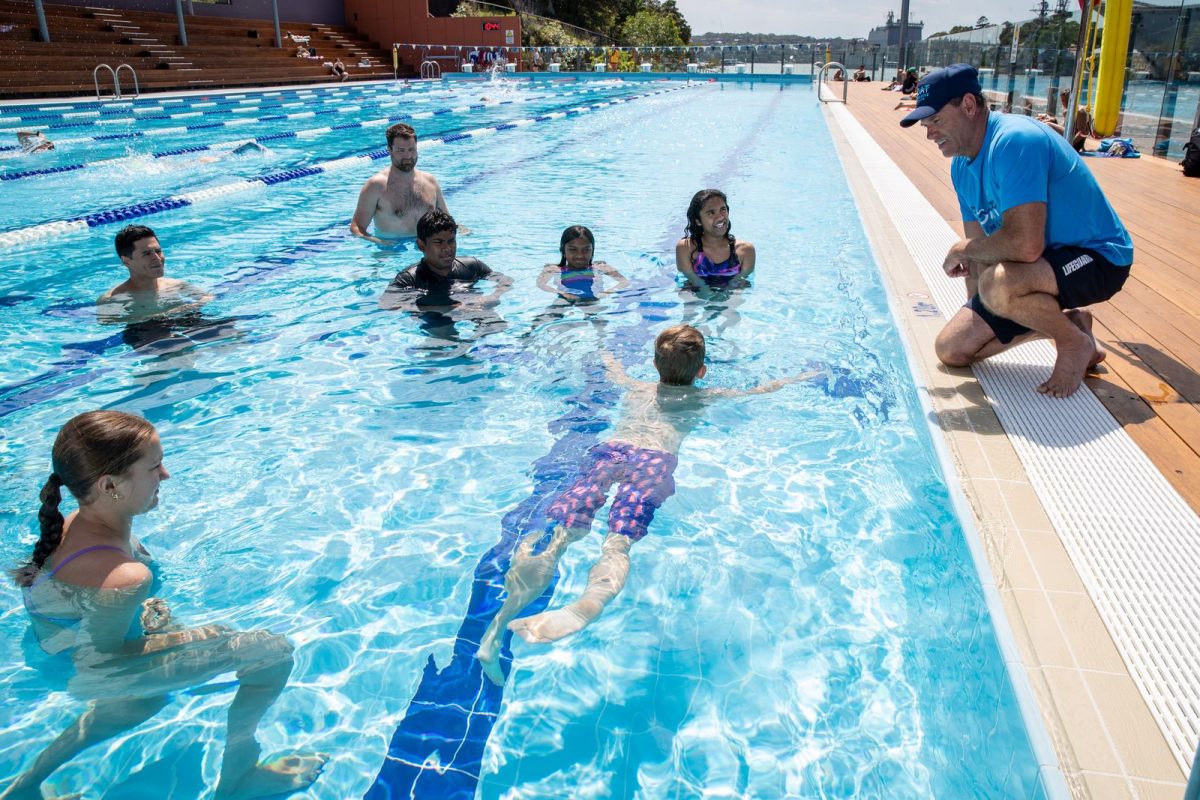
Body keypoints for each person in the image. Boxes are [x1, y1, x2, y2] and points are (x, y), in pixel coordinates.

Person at [2, 411, 325, 800]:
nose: (166, 475)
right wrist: (187, 637)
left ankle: (25, 788)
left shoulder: (71, 521)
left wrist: (150, 622)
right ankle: (238, 779)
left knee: (143, 703)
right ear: (109, 485)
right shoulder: (125, 576)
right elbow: (99, 665)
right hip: (88, 669)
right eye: (154, 467)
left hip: (52, 648)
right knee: (270, 652)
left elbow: (82, 611)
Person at [475, 325, 816, 685]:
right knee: (617, 542)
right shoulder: (705, 396)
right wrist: (804, 375)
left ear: (654, 364)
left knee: (561, 533)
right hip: (653, 460)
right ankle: (587, 607)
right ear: (702, 371)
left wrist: (603, 345)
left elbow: (614, 370)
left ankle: (495, 631)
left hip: (610, 453)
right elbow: (762, 390)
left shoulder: (637, 389)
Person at [901, 64, 1133, 398]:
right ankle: (1071, 323)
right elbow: (981, 249)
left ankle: (1072, 343)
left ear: (968, 105)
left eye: (935, 121)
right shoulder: (961, 166)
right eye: (926, 125)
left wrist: (963, 250)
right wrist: (979, 313)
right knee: (952, 349)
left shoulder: (1015, 141)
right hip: (1040, 267)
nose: (930, 134)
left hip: (1097, 257)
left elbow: (1024, 246)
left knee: (999, 283)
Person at [377, 210, 510, 312]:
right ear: (421, 245)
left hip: (472, 307)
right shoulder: (409, 279)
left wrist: (493, 296)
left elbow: (505, 280)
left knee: (495, 325)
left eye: (451, 241)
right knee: (444, 339)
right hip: (436, 317)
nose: (447, 248)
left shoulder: (471, 266)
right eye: (438, 242)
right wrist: (445, 309)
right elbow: (386, 305)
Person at [351, 122, 450, 242]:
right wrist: (381, 243)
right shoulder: (376, 186)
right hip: (391, 252)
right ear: (389, 150)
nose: (407, 155)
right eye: (401, 150)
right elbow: (357, 227)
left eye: (411, 149)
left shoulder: (431, 182)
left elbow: (447, 220)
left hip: (426, 248)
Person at [97, 225, 213, 325]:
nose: (157, 258)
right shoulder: (112, 298)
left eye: (158, 251)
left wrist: (187, 308)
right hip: (147, 334)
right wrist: (162, 316)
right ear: (127, 261)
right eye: (147, 253)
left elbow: (208, 297)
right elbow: (106, 322)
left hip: (186, 321)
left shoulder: (177, 286)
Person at [674, 189, 755, 294]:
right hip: (696, 291)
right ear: (698, 221)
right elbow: (693, 280)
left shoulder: (745, 250)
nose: (721, 217)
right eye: (711, 213)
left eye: (723, 209)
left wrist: (724, 296)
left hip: (731, 293)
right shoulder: (686, 248)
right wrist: (706, 293)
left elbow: (740, 282)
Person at [536, 225, 630, 304]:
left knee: (599, 322)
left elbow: (624, 282)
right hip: (564, 298)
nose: (580, 255)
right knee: (549, 315)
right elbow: (541, 284)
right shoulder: (554, 269)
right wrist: (561, 293)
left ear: (592, 250)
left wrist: (607, 292)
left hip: (592, 298)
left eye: (586, 249)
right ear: (563, 249)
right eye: (573, 249)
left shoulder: (600, 267)